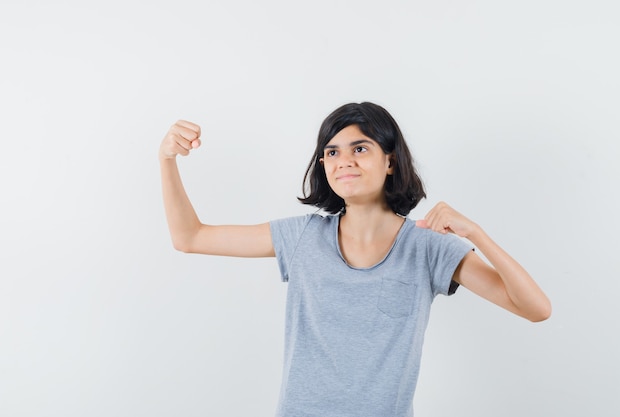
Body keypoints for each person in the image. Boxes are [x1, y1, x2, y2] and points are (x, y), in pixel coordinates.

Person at [159, 102, 551, 417]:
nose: (344, 160)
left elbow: (536, 309)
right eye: (332, 152)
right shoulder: (301, 236)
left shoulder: (428, 246)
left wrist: (477, 234)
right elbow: (190, 237)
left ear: (390, 161)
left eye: (360, 148)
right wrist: (167, 160)